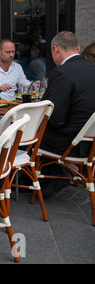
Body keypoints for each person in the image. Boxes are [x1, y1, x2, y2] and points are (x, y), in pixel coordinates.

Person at [39, 31, 95, 197]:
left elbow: (55, 118)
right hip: (90, 143)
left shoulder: (61, 72)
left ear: (55, 49)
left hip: (71, 144)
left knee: (27, 134)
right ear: (77, 48)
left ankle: (50, 178)